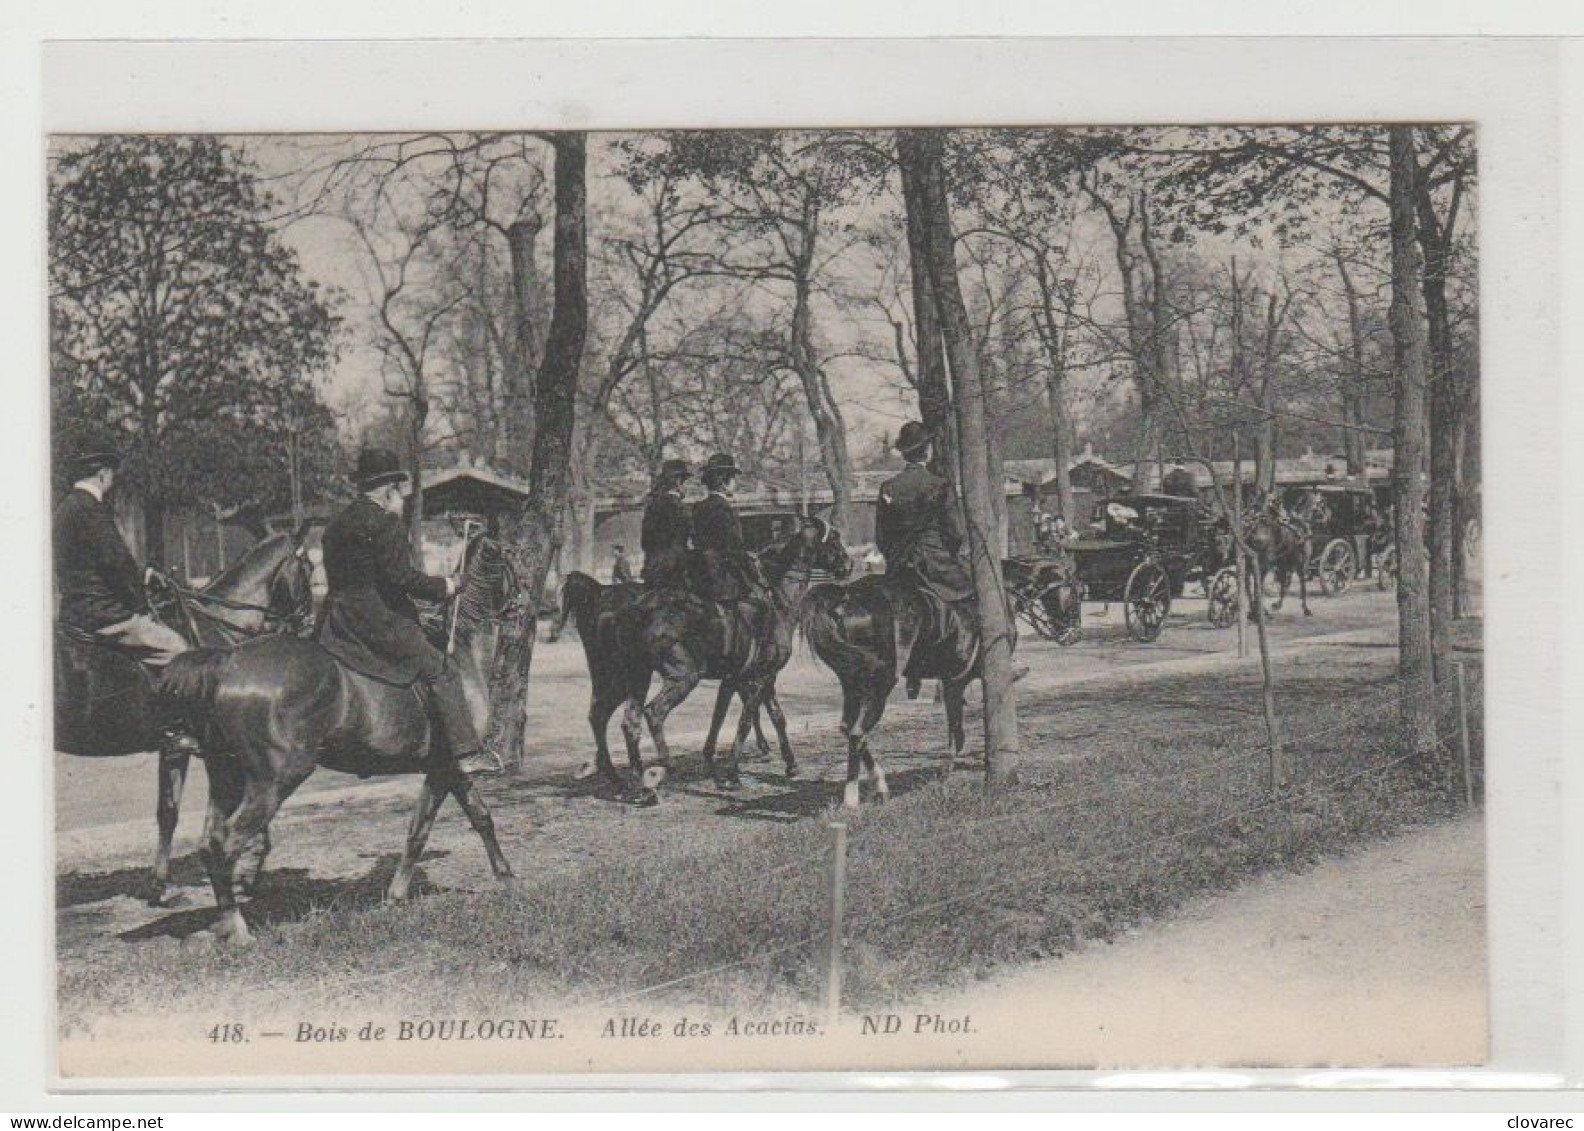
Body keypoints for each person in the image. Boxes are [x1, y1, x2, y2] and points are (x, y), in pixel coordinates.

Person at [316, 447, 497, 778]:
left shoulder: (336, 526)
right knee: (441, 669)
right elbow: (401, 578)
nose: (397, 495)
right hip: (377, 620)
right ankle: (467, 752)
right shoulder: (385, 524)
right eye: (396, 489)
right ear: (387, 489)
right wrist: (446, 586)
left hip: (337, 619)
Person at [54, 449, 189, 668]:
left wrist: (143, 573)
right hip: (103, 614)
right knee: (180, 651)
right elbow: (116, 563)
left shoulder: (65, 508)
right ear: (103, 475)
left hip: (75, 610)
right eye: (112, 476)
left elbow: (90, 562)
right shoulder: (91, 508)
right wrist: (142, 608)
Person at [874, 422, 972, 603]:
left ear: (904, 453)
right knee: (973, 592)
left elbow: (881, 537)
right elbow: (956, 533)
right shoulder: (940, 485)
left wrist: (896, 555)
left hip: (899, 566)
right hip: (936, 566)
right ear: (927, 451)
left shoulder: (887, 488)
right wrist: (949, 554)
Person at [690, 453, 764, 603]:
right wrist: (753, 570)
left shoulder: (698, 507)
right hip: (721, 575)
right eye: (733, 479)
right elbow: (733, 545)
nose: (735, 483)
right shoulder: (723, 509)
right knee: (760, 601)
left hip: (697, 571)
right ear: (724, 483)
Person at [640, 458, 693, 589]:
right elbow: (691, 537)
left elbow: (645, 542)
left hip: (652, 570)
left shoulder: (652, 506)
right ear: (678, 482)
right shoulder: (680, 508)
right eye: (684, 482)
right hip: (675, 571)